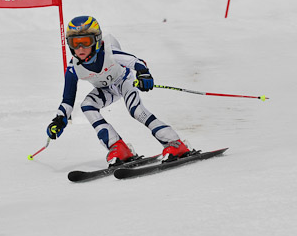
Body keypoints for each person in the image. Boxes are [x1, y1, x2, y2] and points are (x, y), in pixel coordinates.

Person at [46, 15, 191, 165]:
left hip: (124, 81)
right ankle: (118, 147)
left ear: (96, 40)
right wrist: (59, 120)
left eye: (85, 42)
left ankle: (174, 143)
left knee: (136, 111)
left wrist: (144, 75)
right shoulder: (73, 68)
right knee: (87, 106)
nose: (80, 48)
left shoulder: (109, 52)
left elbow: (137, 62)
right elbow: (68, 100)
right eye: (75, 43)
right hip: (105, 90)